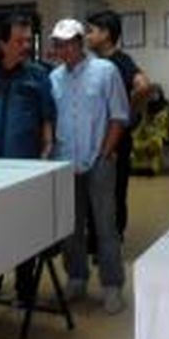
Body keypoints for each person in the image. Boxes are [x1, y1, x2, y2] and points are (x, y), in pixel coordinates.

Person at [0, 13, 55, 303]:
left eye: (28, 40)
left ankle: (25, 285)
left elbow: (47, 116)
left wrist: (47, 146)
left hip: (24, 164)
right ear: (3, 44)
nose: (25, 46)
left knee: (23, 225)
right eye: (19, 41)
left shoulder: (38, 75)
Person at [49, 18, 129, 315]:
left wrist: (106, 153)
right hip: (64, 163)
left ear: (81, 42)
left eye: (69, 42)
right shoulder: (54, 78)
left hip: (99, 161)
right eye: (58, 44)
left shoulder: (106, 72)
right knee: (70, 226)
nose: (63, 49)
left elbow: (119, 116)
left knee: (105, 226)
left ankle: (112, 286)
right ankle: (77, 278)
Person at [86, 10, 151, 241]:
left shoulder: (120, 61)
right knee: (94, 190)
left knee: (114, 190)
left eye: (91, 31)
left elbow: (143, 86)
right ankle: (95, 238)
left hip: (116, 139)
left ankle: (111, 238)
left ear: (105, 34)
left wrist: (126, 112)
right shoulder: (92, 64)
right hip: (93, 139)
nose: (87, 36)